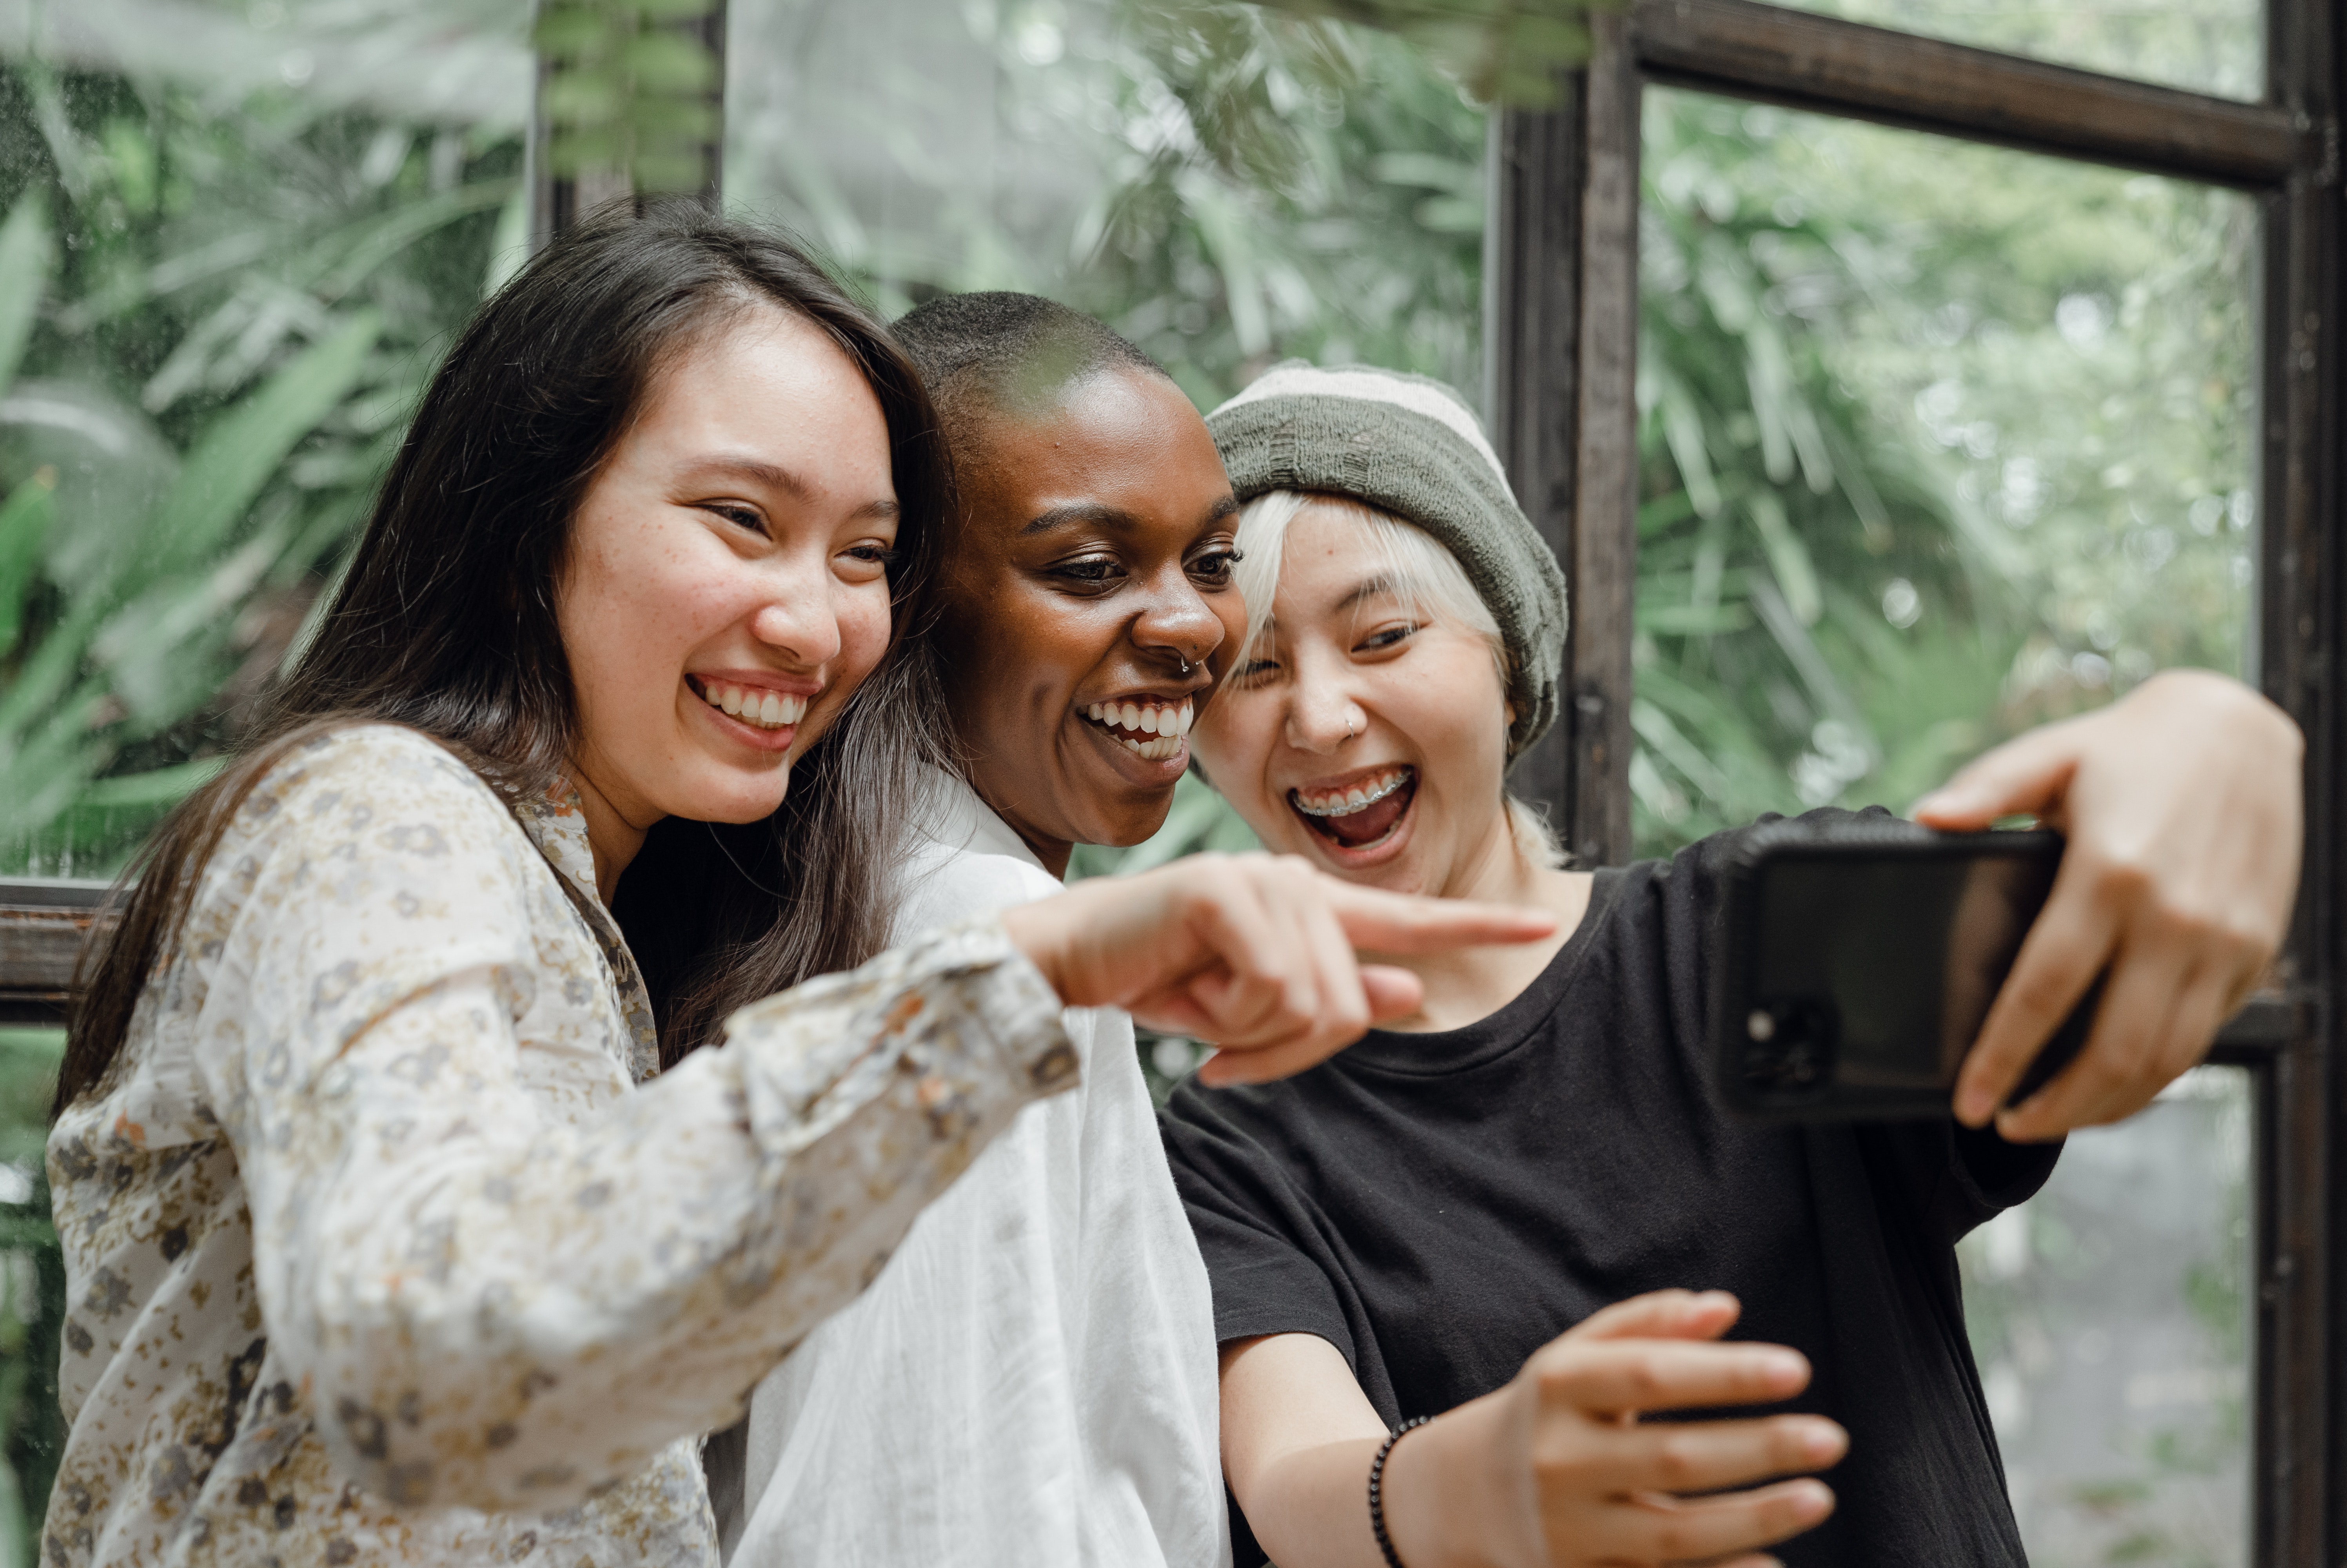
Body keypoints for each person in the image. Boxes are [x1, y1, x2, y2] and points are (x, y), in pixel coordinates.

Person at [41, 224, 1552, 1568]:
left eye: (867, 555)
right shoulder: (377, 818)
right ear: (527, 531)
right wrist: (1020, 989)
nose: (817, 618)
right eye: (742, 521)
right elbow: (421, 1363)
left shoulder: (616, 916)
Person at [1159, 361, 2303, 1568]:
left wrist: (2215, 735)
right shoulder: (1233, 1140)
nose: (1323, 717)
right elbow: (1295, 1483)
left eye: (1384, 634)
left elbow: (2107, 931)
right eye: (1253, 671)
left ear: (1509, 661)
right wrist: (1474, 1484)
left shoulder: (1761, 935)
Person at [724, 293, 1242, 1567]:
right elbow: (921, 1516)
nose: (1190, 627)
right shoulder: (984, 937)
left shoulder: (893, 896)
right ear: (908, 602)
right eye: (1089, 569)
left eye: (1216, 562)